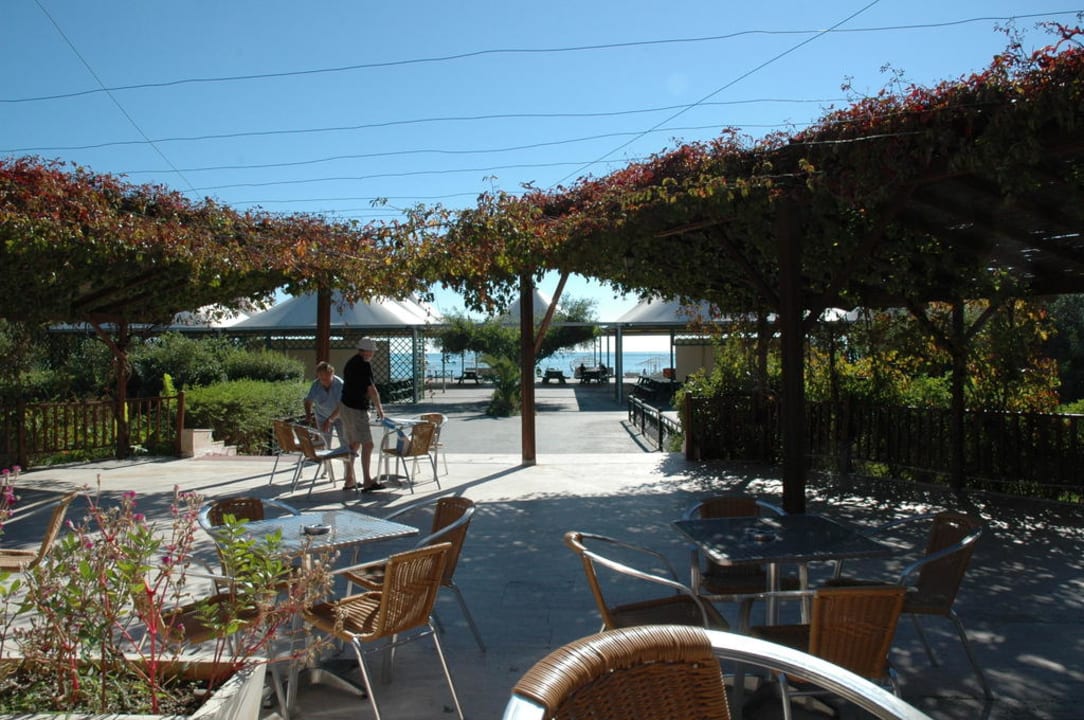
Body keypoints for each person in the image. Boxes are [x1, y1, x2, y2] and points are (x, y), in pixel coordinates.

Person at [336, 337, 385, 492]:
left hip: (345, 406)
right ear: (368, 351)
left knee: (354, 444)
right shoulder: (364, 365)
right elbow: (371, 390)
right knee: (368, 444)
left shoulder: (351, 362)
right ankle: (367, 481)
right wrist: (380, 409)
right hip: (357, 408)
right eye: (372, 351)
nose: (373, 354)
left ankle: (349, 479)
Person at [303, 361, 344, 449]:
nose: (325, 382)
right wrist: (308, 415)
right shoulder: (316, 384)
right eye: (322, 379)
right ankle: (326, 461)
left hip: (341, 416)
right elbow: (308, 401)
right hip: (322, 416)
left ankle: (347, 461)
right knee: (324, 443)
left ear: (332, 374)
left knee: (345, 442)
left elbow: (341, 406)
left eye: (327, 379)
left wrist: (329, 421)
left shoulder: (340, 384)